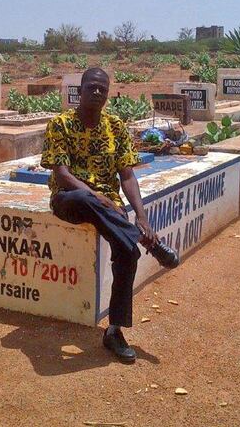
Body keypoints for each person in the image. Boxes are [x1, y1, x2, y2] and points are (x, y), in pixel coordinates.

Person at [41, 67, 179, 363]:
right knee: (82, 196)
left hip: (110, 209)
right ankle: (152, 245)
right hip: (70, 200)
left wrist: (141, 218)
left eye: (102, 89)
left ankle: (114, 331)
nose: (97, 92)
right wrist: (98, 196)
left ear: (107, 95)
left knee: (128, 252)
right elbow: (62, 174)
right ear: (80, 90)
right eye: (91, 87)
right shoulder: (61, 124)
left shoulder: (115, 126)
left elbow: (127, 176)